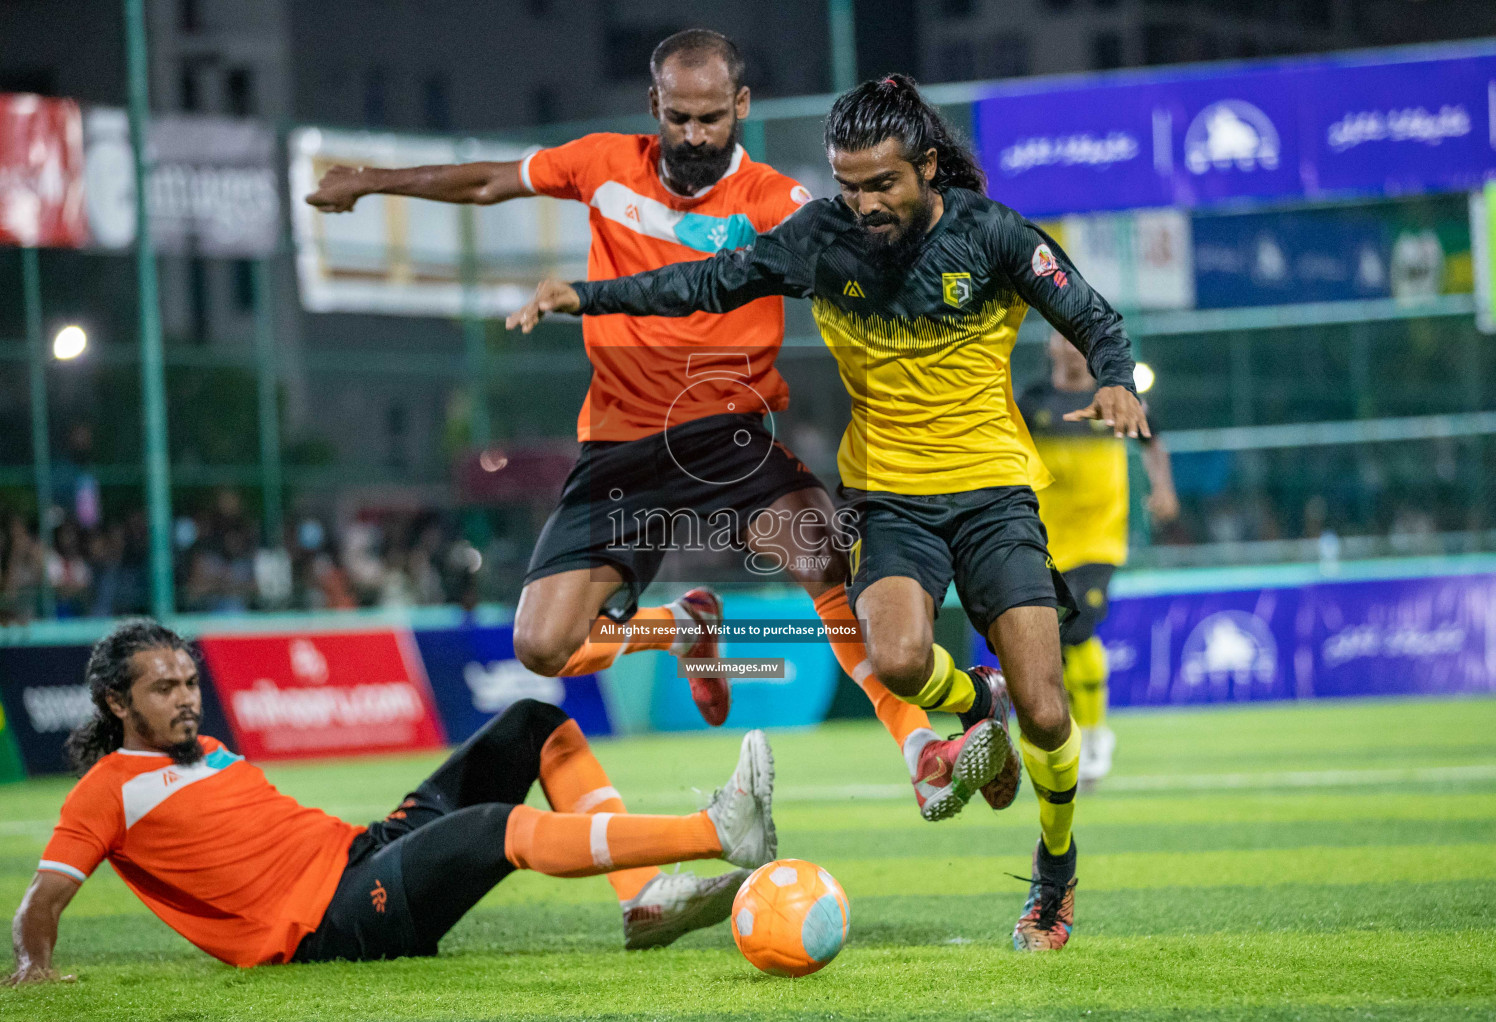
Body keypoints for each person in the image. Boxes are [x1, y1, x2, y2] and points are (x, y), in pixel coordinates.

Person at [506, 74, 1154, 952]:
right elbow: (707, 281)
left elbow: (1089, 313)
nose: (864, 203)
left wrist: (1114, 378)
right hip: (888, 499)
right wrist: (587, 296)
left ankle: (1055, 870)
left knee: (1047, 713)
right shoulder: (821, 241)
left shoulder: (992, 234)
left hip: (997, 497)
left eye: (881, 183)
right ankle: (975, 699)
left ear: (926, 167)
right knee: (896, 659)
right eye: (848, 184)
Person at [306, 30, 994, 820]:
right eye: (679, 118)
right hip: (622, 444)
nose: (696, 136)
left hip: (730, 434)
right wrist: (369, 180)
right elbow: (491, 181)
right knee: (543, 646)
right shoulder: (602, 163)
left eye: (711, 117)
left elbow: (861, 253)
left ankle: (920, 750)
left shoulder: (775, 199)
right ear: (653, 108)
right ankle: (678, 626)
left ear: (740, 107)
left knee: (822, 558)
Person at [0, 621, 775, 984]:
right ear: (114, 701)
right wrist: (33, 966)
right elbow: (44, 898)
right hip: (332, 924)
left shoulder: (210, 752)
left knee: (537, 724)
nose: (188, 698)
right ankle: (717, 832)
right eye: (165, 689)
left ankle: (641, 900)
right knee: (501, 830)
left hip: (363, 854)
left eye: (190, 681)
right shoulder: (105, 792)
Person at [1018, 332, 1180, 784]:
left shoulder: (1113, 397)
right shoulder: (1032, 402)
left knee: (1079, 627)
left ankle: (1094, 735)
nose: (1070, 347)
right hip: (1047, 541)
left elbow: (1152, 440)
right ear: (1049, 346)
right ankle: (1075, 730)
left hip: (1100, 538)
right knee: (1055, 641)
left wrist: (1163, 490)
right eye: (1060, 338)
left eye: (1076, 340)